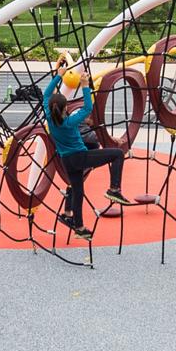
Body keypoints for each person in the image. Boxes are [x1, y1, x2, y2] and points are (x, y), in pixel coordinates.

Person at [45, 67, 128, 240]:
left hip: (66, 161)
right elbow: (88, 107)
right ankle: (114, 189)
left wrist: (58, 76)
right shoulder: (69, 122)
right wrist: (85, 85)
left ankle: (79, 227)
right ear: (65, 108)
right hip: (80, 157)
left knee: (78, 191)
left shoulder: (49, 117)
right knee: (117, 154)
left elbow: (46, 94)